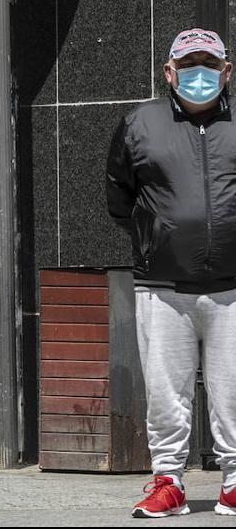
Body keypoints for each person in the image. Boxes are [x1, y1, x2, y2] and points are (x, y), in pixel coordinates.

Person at [106, 27, 235, 518]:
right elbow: (118, 192)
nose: (198, 73)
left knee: (234, 391)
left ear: (227, 71)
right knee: (165, 392)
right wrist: (151, 235)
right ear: (169, 71)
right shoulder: (141, 123)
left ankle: (234, 483)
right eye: (188, 64)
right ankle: (169, 482)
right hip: (163, 284)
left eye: (208, 64)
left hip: (232, 284)